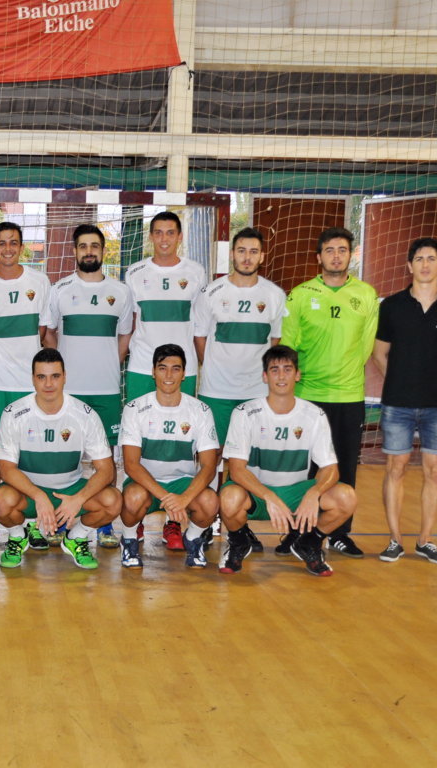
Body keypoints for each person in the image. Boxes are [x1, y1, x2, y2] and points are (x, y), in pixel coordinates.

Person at [371, 237, 437, 565]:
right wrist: (401, 380)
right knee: (396, 468)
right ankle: (394, 539)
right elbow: (379, 353)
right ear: (409, 265)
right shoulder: (391, 306)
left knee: (436, 471)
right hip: (398, 403)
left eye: (431, 258)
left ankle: (426, 540)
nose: (425, 264)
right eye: (419, 259)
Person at [218, 345, 358, 577]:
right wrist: (270, 497)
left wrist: (314, 493)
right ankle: (239, 541)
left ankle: (309, 543)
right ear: (265, 376)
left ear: (297, 374)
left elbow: (330, 468)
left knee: (346, 497)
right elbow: (237, 470)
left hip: (296, 495)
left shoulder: (314, 415)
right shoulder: (245, 413)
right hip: (258, 495)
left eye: (287, 369)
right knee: (229, 498)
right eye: (274, 370)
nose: (281, 376)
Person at [280, 227, 378, 558]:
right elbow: (288, 347)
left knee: (345, 468)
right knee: (305, 470)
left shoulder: (366, 295)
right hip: (308, 396)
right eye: (330, 250)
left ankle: (338, 533)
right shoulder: (299, 295)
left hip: (349, 397)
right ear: (319, 257)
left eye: (342, 250)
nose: (336, 255)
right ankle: (295, 533)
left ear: (351, 255)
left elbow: (365, 346)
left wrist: (346, 374)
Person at [192, 226, 285, 553]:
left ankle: (237, 527)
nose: (247, 257)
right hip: (216, 392)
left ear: (263, 256)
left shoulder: (274, 295)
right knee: (210, 460)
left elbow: (275, 345)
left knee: (240, 462)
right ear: (232, 254)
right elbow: (200, 341)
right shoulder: (211, 293)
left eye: (253, 252)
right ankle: (203, 523)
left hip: (254, 396)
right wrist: (220, 371)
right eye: (241, 251)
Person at [43, 223, 133, 549]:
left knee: (105, 458)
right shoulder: (59, 290)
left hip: (107, 389)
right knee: (64, 454)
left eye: (95, 246)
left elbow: (124, 337)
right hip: (70, 391)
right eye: (83, 246)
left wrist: (109, 361)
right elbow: (49, 335)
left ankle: (103, 523)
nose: (89, 251)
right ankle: (58, 518)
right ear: (75, 251)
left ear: (103, 251)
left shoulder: (121, 292)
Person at [0, 348, 121, 570]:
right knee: (1, 501)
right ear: (32, 379)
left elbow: (106, 470)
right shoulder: (14, 413)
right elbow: (5, 469)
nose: (49, 384)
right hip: (29, 493)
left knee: (113, 501)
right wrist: (38, 495)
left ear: (65, 377)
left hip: (69, 491)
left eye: (55, 376)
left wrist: (78, 499)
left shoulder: (84, 415)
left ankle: (76, 537)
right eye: (41, 377)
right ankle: (17, 535)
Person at [124, 211, 208, 552]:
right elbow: (129, 322)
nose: (163, 239)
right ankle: (138, 519)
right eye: (157, 233)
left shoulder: (196, 272)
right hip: (143, 368)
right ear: (151, 236)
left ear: (179, 236)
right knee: (139, 446)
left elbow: (201, 323)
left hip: (180, 370)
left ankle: (176, 522)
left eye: (170, 233)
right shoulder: (135, 273)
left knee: (180, 447)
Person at [0, 221, 52, 549]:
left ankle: (28, 521)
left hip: (27, 388)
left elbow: (44, 332)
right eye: (1, 243)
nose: (7, 248)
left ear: (21, 247)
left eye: (13, 243)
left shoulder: (40, 282)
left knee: (26, 456)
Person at [118, 344, 219, 569]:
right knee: (132, 498)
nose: (169, 375)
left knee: (210, 502)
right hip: (145, 484)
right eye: (162, 368)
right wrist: (167, 498)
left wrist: (183, 498)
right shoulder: (135, 408)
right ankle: (129, 539)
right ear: (153, 372)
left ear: (184, 374)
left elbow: (209, 466)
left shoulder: (200, 410)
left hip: (183, 483)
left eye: (176, 369)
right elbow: (131, 465)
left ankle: (193, 539)